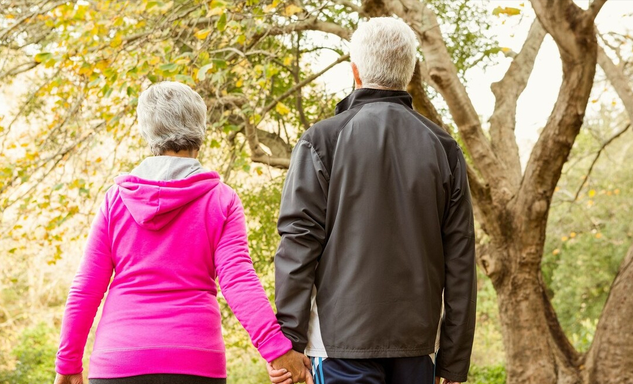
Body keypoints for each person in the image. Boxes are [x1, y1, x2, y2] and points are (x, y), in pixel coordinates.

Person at [53, 81, 312, 384]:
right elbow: (237, 278)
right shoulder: (221, 199)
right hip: (195, 360)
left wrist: (68, 363)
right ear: (200, 129)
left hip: (120, 358)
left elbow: (87, 286)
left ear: (146, 132)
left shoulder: (116, 199)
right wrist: (276, 348)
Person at [268, 17, 476, 384]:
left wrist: (289, 341)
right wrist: (453, 361)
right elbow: (460, 259)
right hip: (417, 347)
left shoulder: (321, 141)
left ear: (356, 73)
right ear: (410, 73)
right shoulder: (444, 148)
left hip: (338, 347)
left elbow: (299, 243)